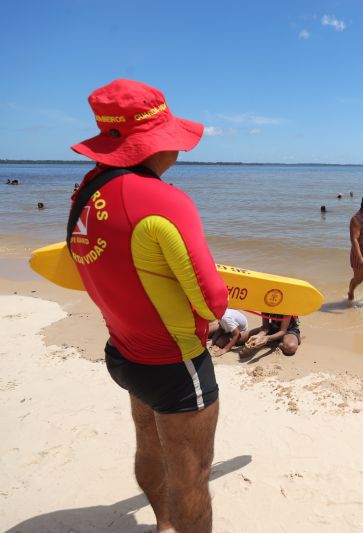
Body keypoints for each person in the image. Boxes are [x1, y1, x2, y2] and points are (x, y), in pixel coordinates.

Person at [68, 79, 228, 533]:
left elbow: (101, 267)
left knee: (148, 445)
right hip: (175, 366)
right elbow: (211, 298)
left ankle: (163, 524)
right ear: (151, 144)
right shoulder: (164, 201)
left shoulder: (85, 192)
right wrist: (226, 316)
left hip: (122, 353)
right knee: (192, 475)